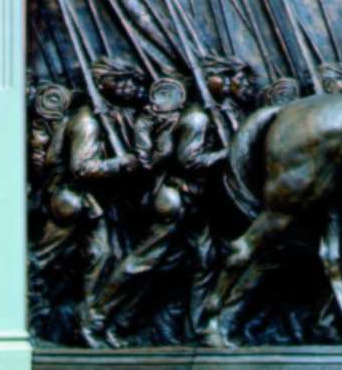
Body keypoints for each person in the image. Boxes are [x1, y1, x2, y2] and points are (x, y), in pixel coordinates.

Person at [80, 58, 257, 347]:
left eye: (230, 79)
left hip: (198, 203)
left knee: (205, 262)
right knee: (141, 263)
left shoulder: (217, 114)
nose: (228, 85)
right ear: (207, 79)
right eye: (222, 78)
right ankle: (93, 320)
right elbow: (189, 161)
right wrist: (231, 152)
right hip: (175, 199)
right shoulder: (197, 118)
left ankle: (196, 330)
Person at [29, 58, 146, 344]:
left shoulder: (112, 116)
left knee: (102, 256)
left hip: (89, 203)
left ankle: (86, 326)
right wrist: (122, 163)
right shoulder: (87, 122)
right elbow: (81, 168)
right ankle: (21, 321)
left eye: (131, 81)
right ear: (100, 83)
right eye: (120, 81)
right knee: (40, 260)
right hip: (70, 200)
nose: (129, 87)